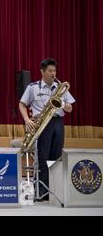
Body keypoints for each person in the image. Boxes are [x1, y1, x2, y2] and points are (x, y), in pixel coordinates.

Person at [19, 58, 75, 200]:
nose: (53, 73)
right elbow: (22, 104)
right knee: (42, 157)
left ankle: (54, 191)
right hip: (42, 123)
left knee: (56, 157)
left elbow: (70, 108)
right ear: (42, 72)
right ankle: (41, 191)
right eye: (50, 71)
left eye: (54, 70)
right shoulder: (33, 87)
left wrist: (61, 102)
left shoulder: (61, 87)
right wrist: (26, 120)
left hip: (57, 122)